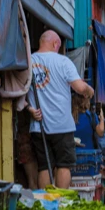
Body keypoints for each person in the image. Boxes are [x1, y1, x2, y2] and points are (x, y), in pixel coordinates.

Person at [27, 30, 94, 189]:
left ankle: (45, 203)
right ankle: (61, 205)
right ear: (55, 44)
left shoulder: (28, 61)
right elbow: (79, 87)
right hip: (61, 125)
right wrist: (89, 90)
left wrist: (29, 108)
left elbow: (19, 90)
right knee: (64, 165)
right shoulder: (63, 62)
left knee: (44, 166)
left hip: (38, 125)